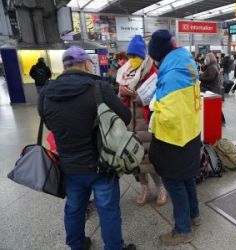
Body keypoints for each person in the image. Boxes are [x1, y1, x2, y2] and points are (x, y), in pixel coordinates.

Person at [38, 46, 136, 250]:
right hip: (102, 164)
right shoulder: (99, 88)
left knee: (74, 208)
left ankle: (76, 244)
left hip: (69, 165)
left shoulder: (46, 92)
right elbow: (125, 117)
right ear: (84, 63)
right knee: (107, 210)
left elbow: (49, 124)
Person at [148, 30, 201, 246]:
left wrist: (154, 107)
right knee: (187, 177)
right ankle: (195, 216)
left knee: (173, 182)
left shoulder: (170, 74)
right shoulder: (187, 64)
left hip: (175, 138)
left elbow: (168, 116)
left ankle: (183, 230)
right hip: (191, 131)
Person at [117, 35, 167, 206]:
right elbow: (119, 101)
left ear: (144, 56)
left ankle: (161, 187)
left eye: (136, 56)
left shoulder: (153, 73)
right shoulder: (125, 73)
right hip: (130, 124)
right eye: (130, 56)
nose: (133, 60)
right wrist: (121, 93)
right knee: (136, 162)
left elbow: (158, 99)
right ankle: (144, 189)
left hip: (147, 124)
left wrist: (138, 97)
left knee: (151, 161)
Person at [199, 53, 226, 126]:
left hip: (213, 89)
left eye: (206, 59)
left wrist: (200, 78)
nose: (205, 60)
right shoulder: (212, 66)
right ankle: (221, 121)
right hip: (213, 88)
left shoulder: (212, 67)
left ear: (209, 59)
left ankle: (222, 121)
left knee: (216, 107)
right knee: (216, 106)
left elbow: (211, 78)